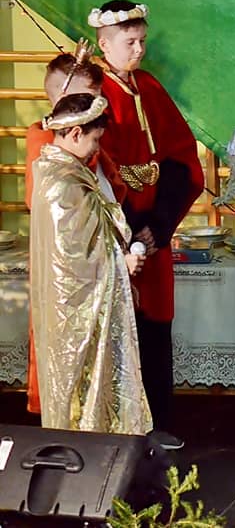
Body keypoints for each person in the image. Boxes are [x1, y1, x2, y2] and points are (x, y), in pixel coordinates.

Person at [91, 0, 205, 449]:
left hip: (152, 232)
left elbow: (181, 155)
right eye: (129, 42)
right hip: (114, 230)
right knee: (119, 326)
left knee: (155, 327)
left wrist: (159, 223)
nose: (139, 50)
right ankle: (117, 429)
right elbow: (94, 165)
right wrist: (127, 227)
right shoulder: (95, 92)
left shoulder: (150, 87)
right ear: (105, 45)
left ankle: (157, 422)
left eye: (142, 41)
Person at [30, 93, 151, 434]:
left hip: (82, 302)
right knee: (81, 388)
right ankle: (89, 451)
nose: (96, 148)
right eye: (95, 139)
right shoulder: (63, 184)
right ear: (75, 133)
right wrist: (121, 261)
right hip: (77, 308)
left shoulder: (61, 172)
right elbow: (73, 260)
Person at [23, 45, 127, 416]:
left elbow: (114, 187)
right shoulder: (50, 150)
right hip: (73, 276)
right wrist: (117, 256)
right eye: (87, 97)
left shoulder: (87, 148)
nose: (94, 104)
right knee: (71, 372)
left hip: (98, 272)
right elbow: (59, 220)